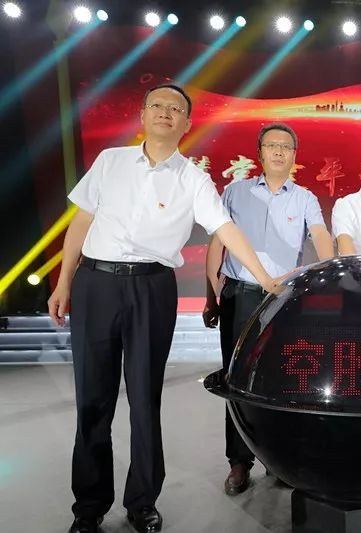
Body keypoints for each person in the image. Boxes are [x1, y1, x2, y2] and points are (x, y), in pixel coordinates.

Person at [47, 84, 280, 533]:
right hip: (96, 283)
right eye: (157, 105)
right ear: (143, 115)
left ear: (186, 124)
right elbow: (82, 221)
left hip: (151, 288)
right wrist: (65, 280)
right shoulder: (110, 161)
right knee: (92, 400)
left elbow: (225, 228)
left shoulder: (193, 178)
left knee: (144, 400)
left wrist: (264, 277)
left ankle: (142, 502)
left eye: (176, 108)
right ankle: (88, 508)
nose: (166, 112)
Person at [202, 123, 334, 495]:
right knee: (236, 380)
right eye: (271, 145)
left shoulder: (304, 198)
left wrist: (332, 270)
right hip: (240, 295)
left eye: (286, 147)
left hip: (283, 300)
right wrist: (211, 297)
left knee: (284, 379)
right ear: (259, 152)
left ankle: (279, 460)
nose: (278, 151)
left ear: (294, 155)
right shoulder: (235, 191)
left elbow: (320, 236)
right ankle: (239, 461)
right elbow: (218, 245)